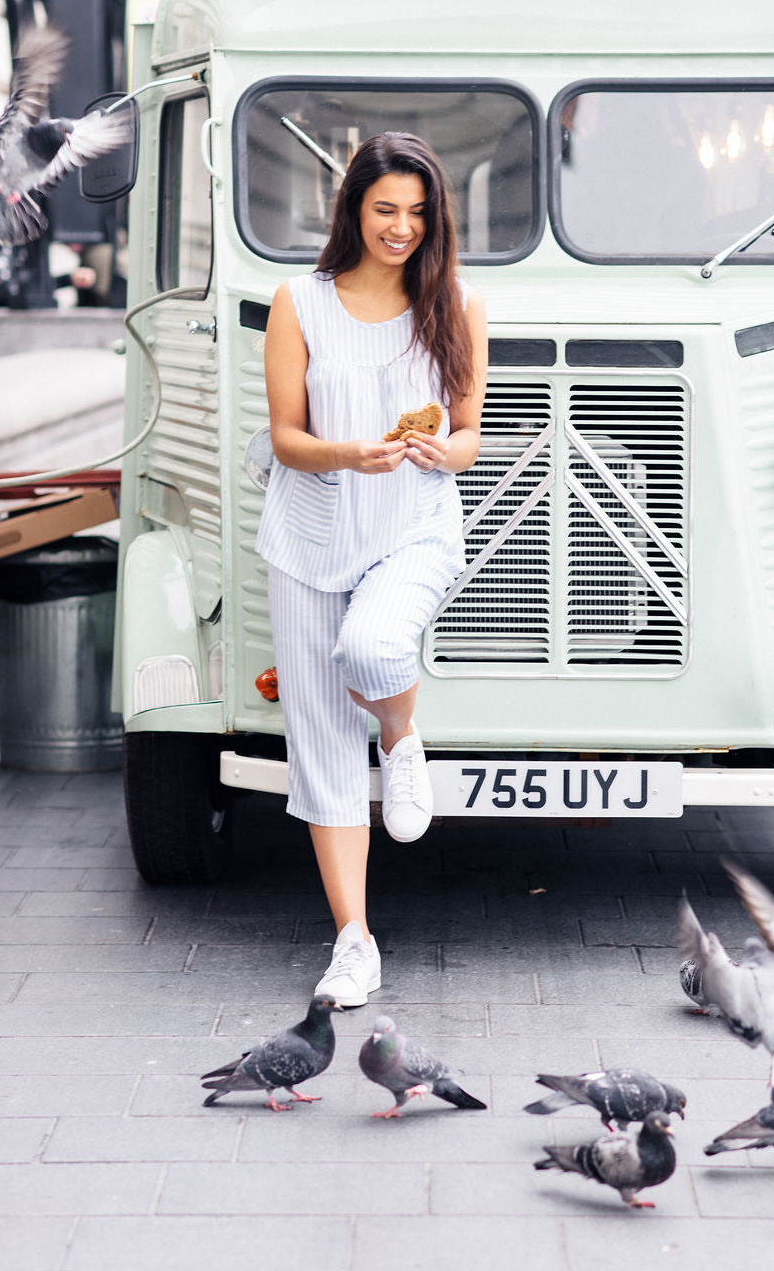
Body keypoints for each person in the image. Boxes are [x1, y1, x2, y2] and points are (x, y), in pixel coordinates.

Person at [256, 132, 487, 1007]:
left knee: (372, 647)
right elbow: (286, 437)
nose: (401, 227)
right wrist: (351, 454)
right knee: (318, 741)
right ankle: (354, 939)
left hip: (412, 530)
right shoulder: (299, 303)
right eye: (386, 208)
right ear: (353, 207)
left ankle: (399, 737)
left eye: (418, 213)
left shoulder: (456, 305)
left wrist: (437, 451)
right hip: (311, 537)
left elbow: (468, 436)